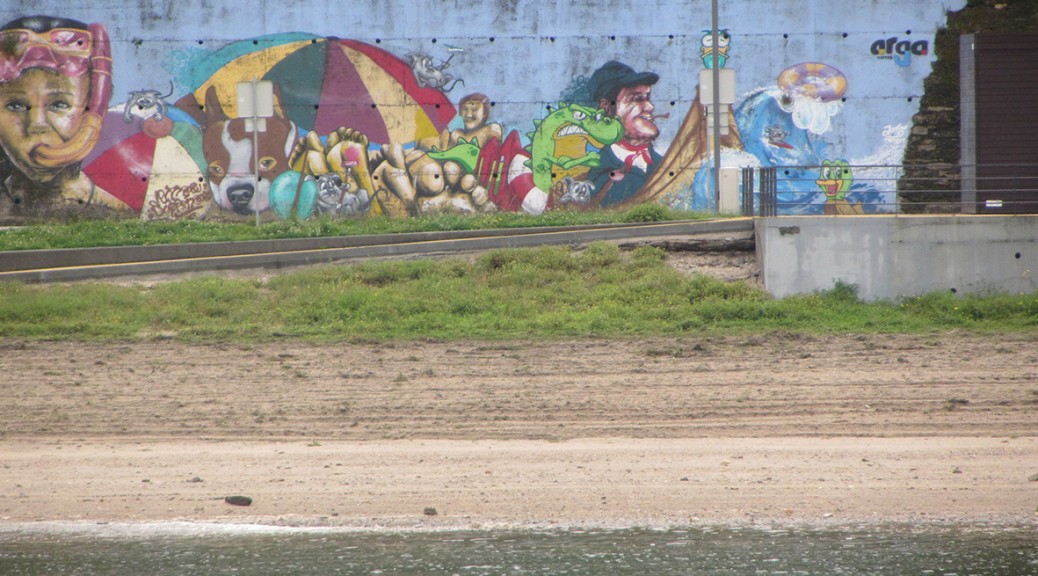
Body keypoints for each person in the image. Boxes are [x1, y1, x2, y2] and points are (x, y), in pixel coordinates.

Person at [0, 15, 127, 218]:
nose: (37, 125)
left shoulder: (115, 214)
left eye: (59, 104)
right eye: (15, 105)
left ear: (94, 111)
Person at [585, 60, 664, 208]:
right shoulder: (599, 169)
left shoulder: (664, 164)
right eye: (636, 99)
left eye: (647, 98)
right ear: (606, 108)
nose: (650, 107)